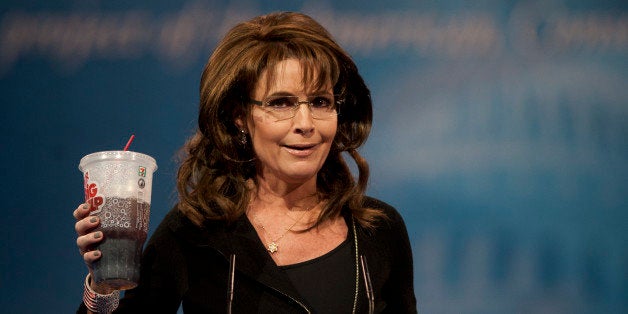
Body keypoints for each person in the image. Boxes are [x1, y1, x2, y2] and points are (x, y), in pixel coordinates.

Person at [74, 11, 416, 313]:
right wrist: (102, 289)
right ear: (239, 116)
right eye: (281, 103)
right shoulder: (195, 232)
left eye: (321, 102)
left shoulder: (378, 230)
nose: (306, 123)